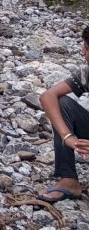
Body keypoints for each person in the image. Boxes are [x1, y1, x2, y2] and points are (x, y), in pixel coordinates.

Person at [37, 25, 89, 203]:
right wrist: (67, 137)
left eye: (87, 48)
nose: (83, 52)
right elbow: (48, 96)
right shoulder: (87, 73)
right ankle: (68, 179)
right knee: (62, 103)